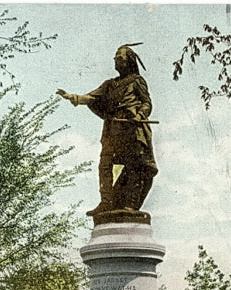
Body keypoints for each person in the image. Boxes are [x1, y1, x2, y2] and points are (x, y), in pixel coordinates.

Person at [57, 44, 158, 215]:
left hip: (131, 129)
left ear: (130, 61)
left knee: (135, 165)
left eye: (120, 58)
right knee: (105, 164)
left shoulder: (136, 81)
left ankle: (130, 205)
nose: (116, 62)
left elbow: (147, 102)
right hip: (113, 130)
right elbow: (91, 97)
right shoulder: (109, 84)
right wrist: (73, 97)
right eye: (115, 58)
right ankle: (106, 202)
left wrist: (140, 115)